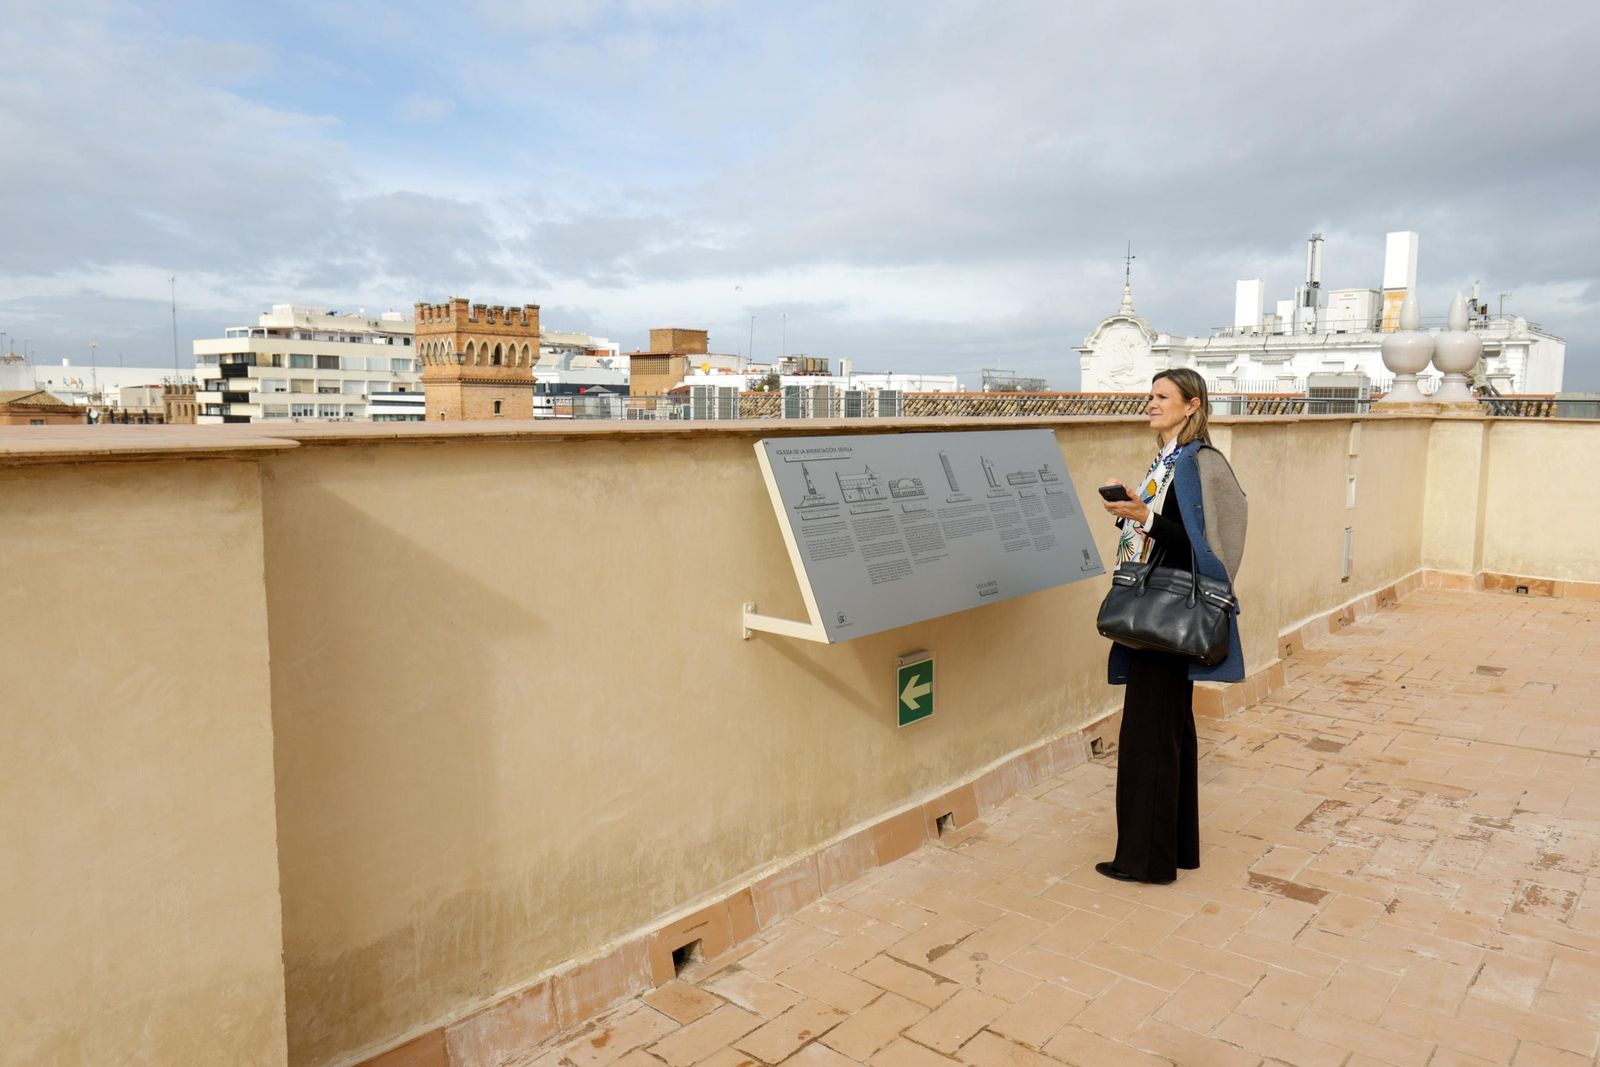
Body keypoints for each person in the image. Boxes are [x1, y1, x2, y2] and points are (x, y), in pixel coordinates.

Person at [1095, 369, 1247, 885]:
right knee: (1169, 732)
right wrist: (1134, 514)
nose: (1152, 403)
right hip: (1160, 613)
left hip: (1168, 617)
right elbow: (1170, 537)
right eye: (1151, 396)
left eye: (1163, 397)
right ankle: (1174, 849)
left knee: (1149, 738)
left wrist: (1147, 517)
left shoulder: (1200, 464)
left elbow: (1205, 551)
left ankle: (1146, 861)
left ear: (1192, 405)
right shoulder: (1168, 461)